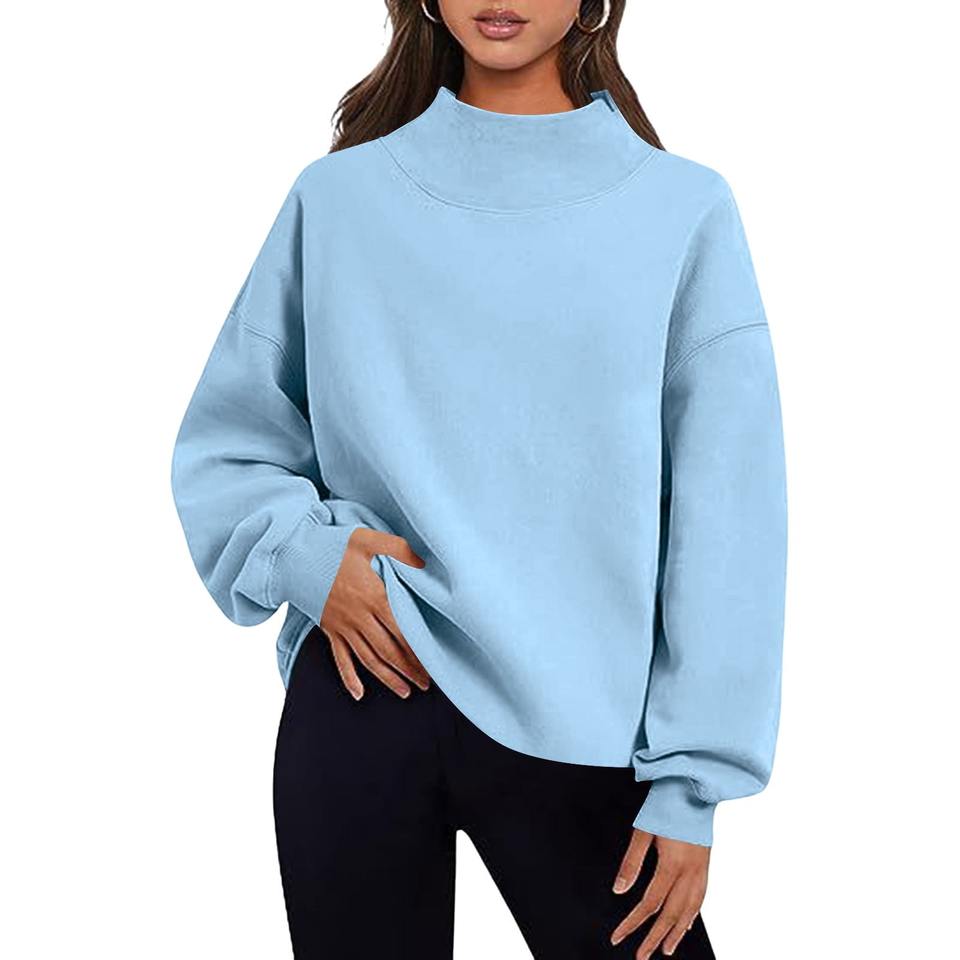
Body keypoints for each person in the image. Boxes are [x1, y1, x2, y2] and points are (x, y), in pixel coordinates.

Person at [170, 2, 787, 957]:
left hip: (590, 725)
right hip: (366, 684)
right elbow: (228, 442)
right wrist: (304, 557)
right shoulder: (338, 201)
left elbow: (729, 516)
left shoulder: (682, 210)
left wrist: (691, 779)